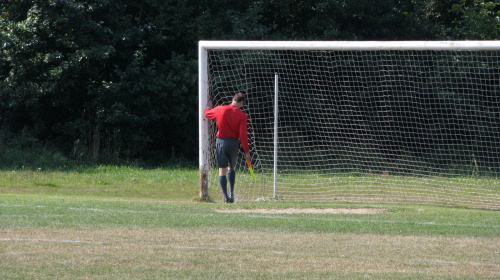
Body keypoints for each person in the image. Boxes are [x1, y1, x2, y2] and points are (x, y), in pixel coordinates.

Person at [204, 91, 251, 203]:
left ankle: (225, 197)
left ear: (233, 99)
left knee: (222, 170)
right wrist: (246, 151)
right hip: (234, 143)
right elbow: (243, 135)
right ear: (241, 103)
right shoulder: (242, 115)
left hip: (221, 142)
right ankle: (232, 193)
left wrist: (207, 107)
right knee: (231, 167)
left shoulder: (220, 109)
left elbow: (207, 114)